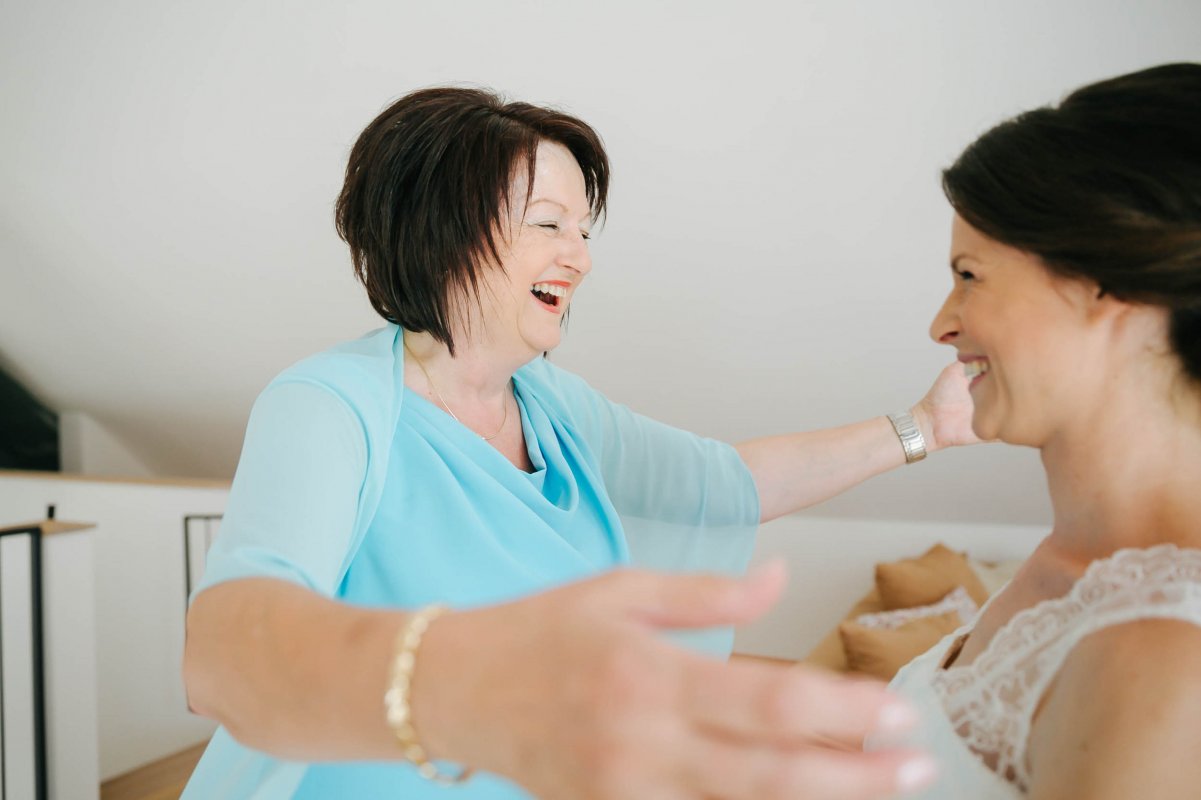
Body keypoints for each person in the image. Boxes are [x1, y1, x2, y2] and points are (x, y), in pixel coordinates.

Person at [181, 87, 975, 799]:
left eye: (584, 231)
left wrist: (923, 428)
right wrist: (471, 687)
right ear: (444, 230)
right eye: (549, 225)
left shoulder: (554, 407)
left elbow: (724, 482)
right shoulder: (330, 406)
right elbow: (224, 658)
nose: (581, 258)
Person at [879, 63, 1201, 799]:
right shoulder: (1073, 560)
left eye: (968, 274)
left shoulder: (1158, 655)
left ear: (1100, 282)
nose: (941, 323)